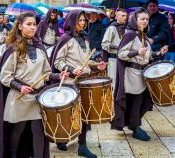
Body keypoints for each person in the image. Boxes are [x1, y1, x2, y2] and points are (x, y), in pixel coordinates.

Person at [0, 12, 69, 158]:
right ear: (19, 26)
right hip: (20, 97)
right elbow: (5, 77)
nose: (32, 27)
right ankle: (12, 155)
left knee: (38, 130)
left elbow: (46, 73)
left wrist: (58, 75)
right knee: (17, 130)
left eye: (34, 24)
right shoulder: (13, 49)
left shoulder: (40, 48)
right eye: (28, 24)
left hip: (37, 97)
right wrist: (20, 87)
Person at [50, 10, 106, 158]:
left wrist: (95, 66)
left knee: (85, 112)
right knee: (68, 114)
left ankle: (82, 145)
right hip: (70, 82)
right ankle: (60, 138)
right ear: (71, 21)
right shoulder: (65, 39)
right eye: (79, 20)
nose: (82, 23)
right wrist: (72, 69)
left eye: (83, 20)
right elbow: (57, 62)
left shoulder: (85, 38)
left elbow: (86, 61)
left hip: (85, 81)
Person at [111, 8, 168, 141]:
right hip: (132, 74)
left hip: (142, 73)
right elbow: (121, 54)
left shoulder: (143, 35)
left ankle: (133, 124)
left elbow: (146, 55)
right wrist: (136, 52)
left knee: (147, 99)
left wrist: (158, 53)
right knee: (138, 100)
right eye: (142, 19)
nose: (145, 21)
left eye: (147, 19)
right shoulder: (130, 35)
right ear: (135, 20)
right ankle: (135, 127)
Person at [101, 8, 128, 88]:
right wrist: (118, 47)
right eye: (122, 16)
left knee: (122, 84)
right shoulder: (111, 28)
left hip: (124, 60)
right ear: (116, 17)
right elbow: (104, 44)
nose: (125, 17)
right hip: (113, 60)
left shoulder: (126, 29)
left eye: (126, 16)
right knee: (113, 84)